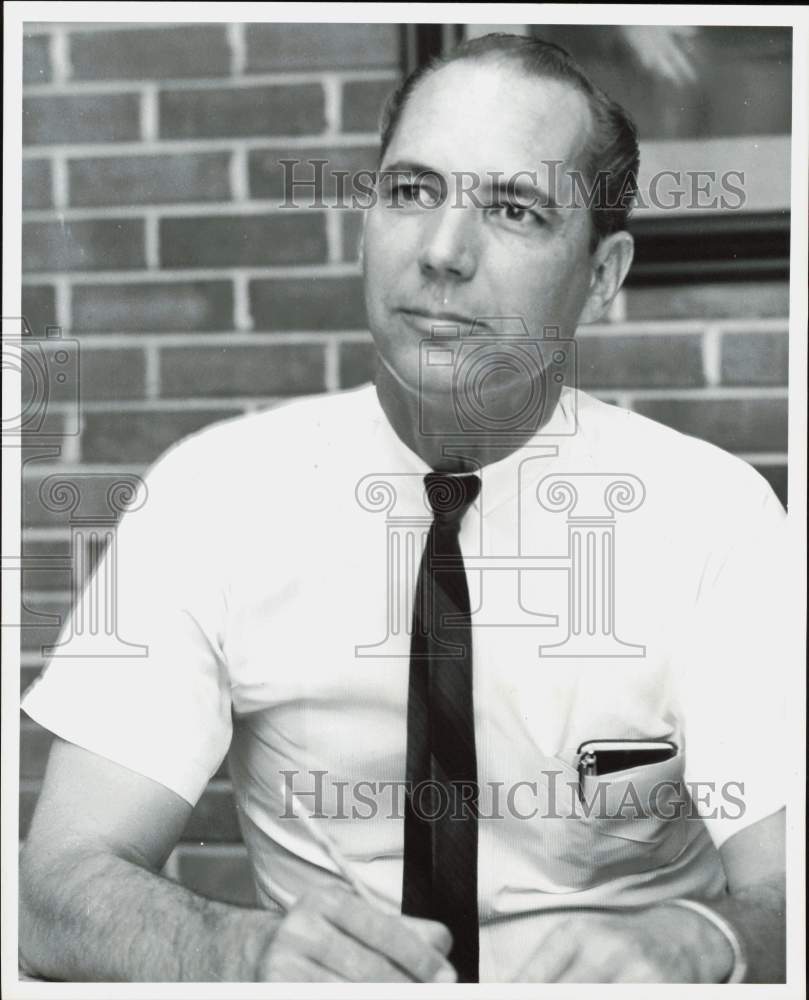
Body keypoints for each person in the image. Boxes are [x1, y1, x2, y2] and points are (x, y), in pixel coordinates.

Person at [19, 34, 788, 983]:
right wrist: (238, 948)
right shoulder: (208, 497)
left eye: (514, 209)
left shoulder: (714, 521)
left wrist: (699, 942)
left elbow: (787, 887)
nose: (441, 253)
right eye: (412, 192)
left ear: (600, 276)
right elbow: (51, 891)